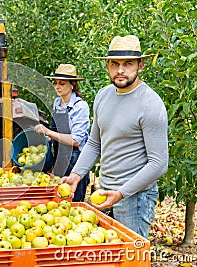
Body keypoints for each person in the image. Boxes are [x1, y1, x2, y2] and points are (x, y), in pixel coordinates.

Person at [60, 35, 168, 238]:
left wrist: (121, 193)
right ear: (107, 66)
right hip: (104, 192)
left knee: (131, 255)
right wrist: (76, 175)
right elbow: (94, 143)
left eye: (128, 64)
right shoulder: (103, 95)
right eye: (115, 63)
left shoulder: (150, 104)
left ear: (140, 66)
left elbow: (159, 163)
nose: (120, 70)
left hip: (134, 197)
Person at [34, 64, 90, 201]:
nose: (57, 87)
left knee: (75, 200)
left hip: (75, 160)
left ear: (72, 85)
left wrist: (49, 132)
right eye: (56, 83)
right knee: (60, 199)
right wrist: (47, 139)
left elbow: (75, 141)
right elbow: (56, 131)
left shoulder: (80, 107)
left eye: (62, 83)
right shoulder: (57, 103)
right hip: (60, 157)